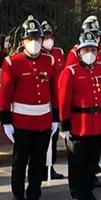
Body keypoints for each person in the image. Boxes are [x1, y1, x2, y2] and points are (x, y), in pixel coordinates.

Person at [0, 15, 59, 200]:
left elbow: (54, 90)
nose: (34, 42)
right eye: (30, 38)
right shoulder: (12, 62)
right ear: (22, 41)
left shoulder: (49, 61)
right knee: (20, 163)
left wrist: (56, 118)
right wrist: (5, 120)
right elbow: (5, 92)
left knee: (38, 163)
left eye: (38, 38)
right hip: (21, 122)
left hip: (43, 121)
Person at [58, 30, 101, 200]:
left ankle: (89, 193)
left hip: (96, 121)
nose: (90, 54)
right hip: (79, 122)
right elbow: (63, 99)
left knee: (92, 161)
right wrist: (64, 123)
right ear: (79, 52)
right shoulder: (70, 72)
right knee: (77, 161)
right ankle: (77, 194)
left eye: (93, 50)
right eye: (86, 50)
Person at [41, 21, 66, 180]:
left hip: (55, 100)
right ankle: (41, 167)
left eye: (50, 36)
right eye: (45, 37)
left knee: (54, 136)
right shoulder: (39, 55)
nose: (48, 39)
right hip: (43, 101)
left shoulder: (58, 53)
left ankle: (51, 166)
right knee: (42, 139)